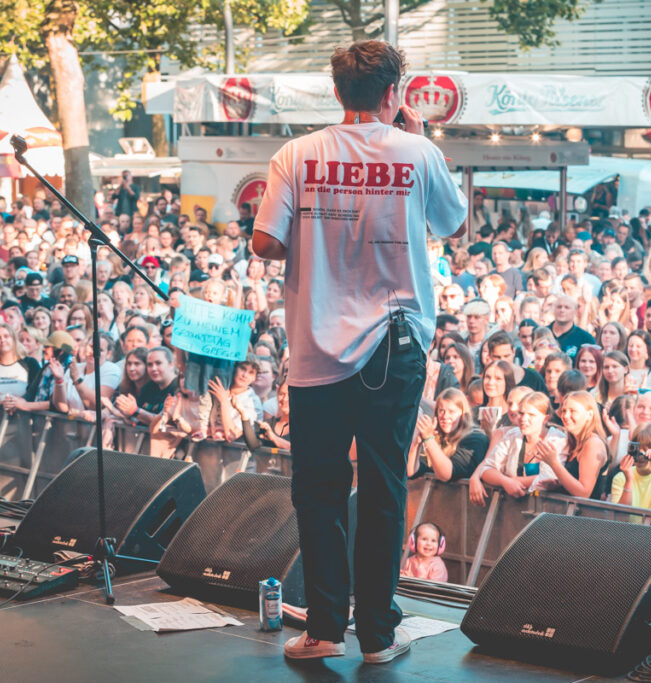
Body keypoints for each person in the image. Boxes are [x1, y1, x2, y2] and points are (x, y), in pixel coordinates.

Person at [252, 41, 467, 663]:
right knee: (383, 490)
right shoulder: (418, 152)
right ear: (393, 93)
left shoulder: (297, 154)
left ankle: (323, 631)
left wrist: (319, 227)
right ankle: (377, 636)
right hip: (393, 346)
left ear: (336, 91)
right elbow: (453, 224)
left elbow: (265, 242)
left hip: (317, 347)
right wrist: (418, 143)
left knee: (317, 492)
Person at [468, 392, 566, 504]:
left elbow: (549, 479)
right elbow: (487, 468)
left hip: (547, 507)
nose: (524, 418)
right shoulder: (512, 435)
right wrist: (505, 481)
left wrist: (514, 480)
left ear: (545, 419)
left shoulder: (557, 439)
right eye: (521, 413)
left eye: (531, 415)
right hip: (512, 507)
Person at [542, 391, 613, 499]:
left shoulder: (593, 444)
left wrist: (554, 463)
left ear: (589, 415)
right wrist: (558, 485)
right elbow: (574, 481)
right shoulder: (575, 442)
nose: (566, 416)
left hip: (586, 510)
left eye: (573, 411)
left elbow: (584, 493)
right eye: (564, 410)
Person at [407, 388, 488, 482]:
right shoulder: (437, 437)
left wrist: (428, 439)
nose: (445, 416)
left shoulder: (476, 438)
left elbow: (446, 474)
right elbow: (411, 472)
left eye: (451, 412)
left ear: (463, 414)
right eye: (441, 411)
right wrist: (416, 444)